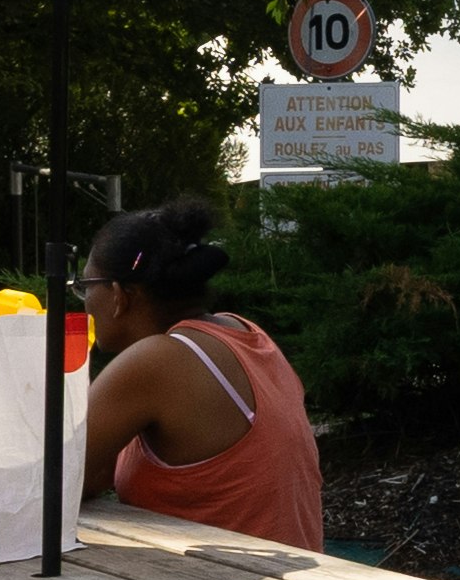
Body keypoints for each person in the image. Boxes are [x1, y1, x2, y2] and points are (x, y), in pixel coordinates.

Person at [73, 198, 323, 545]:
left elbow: (52, 480)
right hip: (299, 579)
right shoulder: (246, 333)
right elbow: (94, 474)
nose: (83, 300)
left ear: (118, 295)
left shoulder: (159, 360)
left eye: (85, 286)